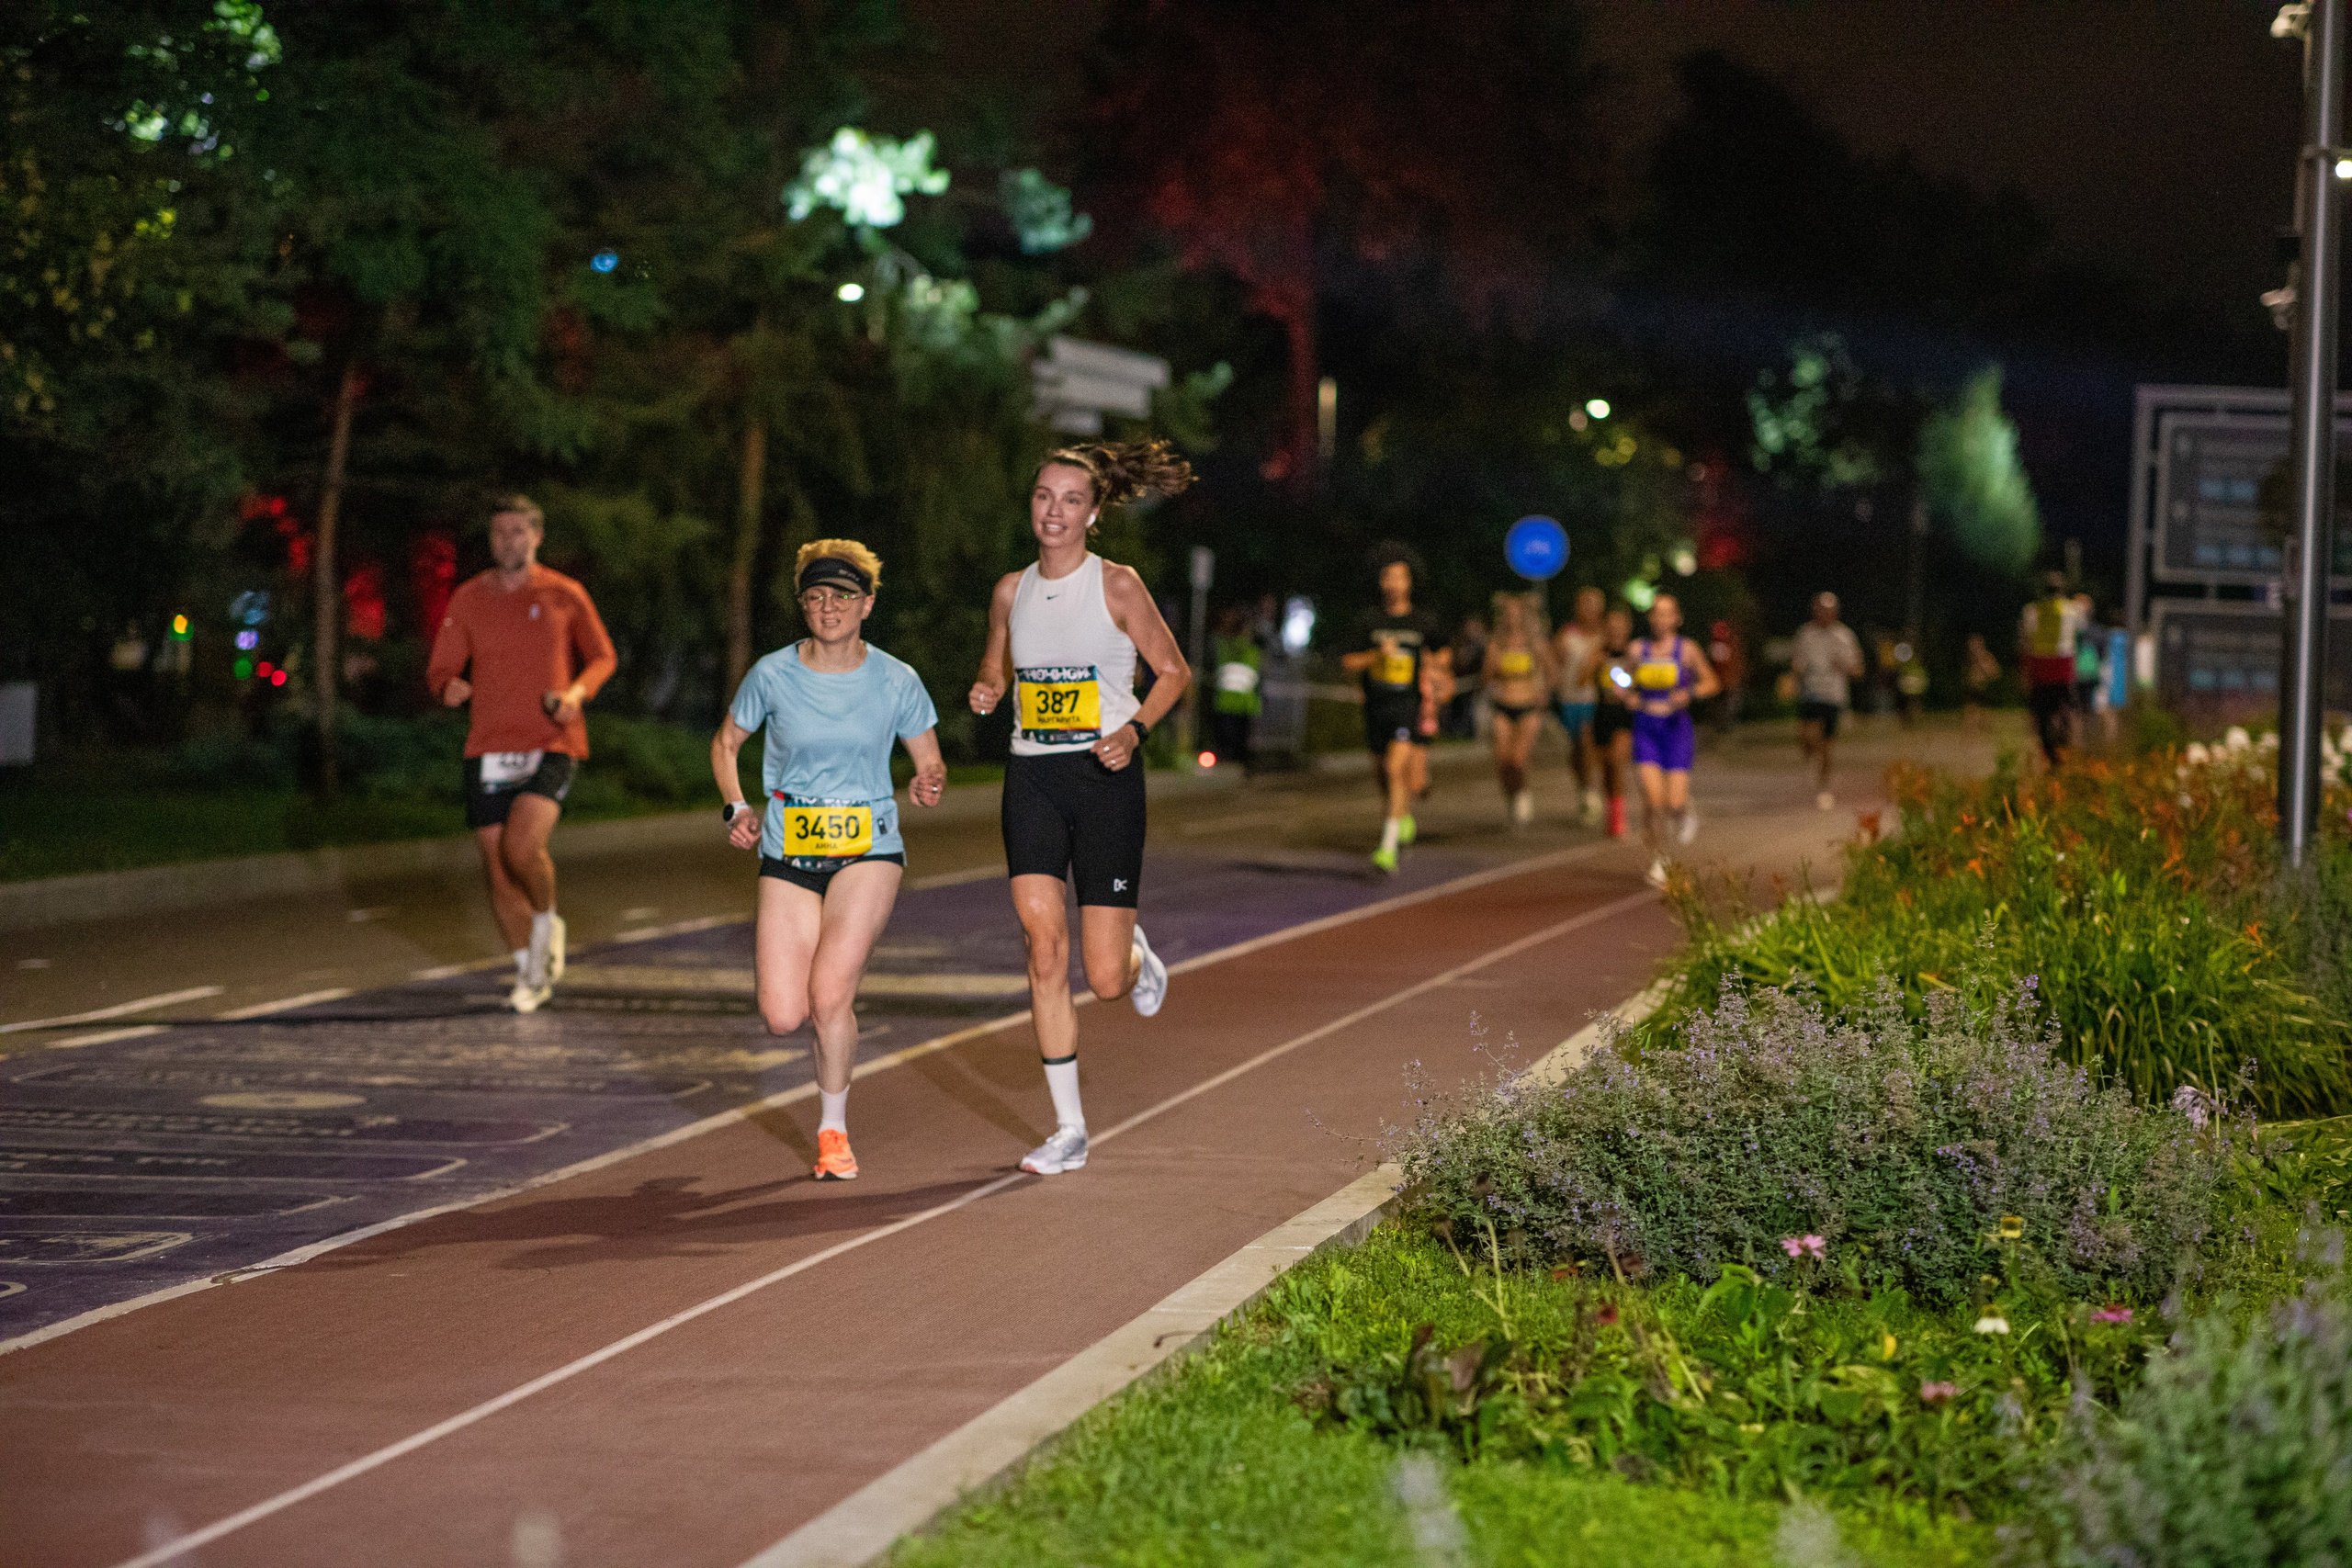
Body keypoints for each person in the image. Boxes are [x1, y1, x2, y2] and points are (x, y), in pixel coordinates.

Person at [968, 440, 1194, 1177]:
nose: (1054, 511)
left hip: (1105, 777)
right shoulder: (1011, 590)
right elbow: (997, 660)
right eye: (1044, 496)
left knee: (1102, 978)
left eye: (1070, 500)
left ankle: (1136, 955)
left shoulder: (1118, 585)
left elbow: (1172, 671)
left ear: (1094, 512)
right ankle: (1069, 1129)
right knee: (1043, 945)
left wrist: (1135, 731)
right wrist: (989, 687)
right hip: (1032, 776)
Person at [711, 540, 945, 1181]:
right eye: (815, 596)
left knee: (830, 992)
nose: (828, 607)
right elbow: (727, 743)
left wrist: (928, 780)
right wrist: (736, 807)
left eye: (842, 596)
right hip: (790, 847)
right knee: (783, 1014)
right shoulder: (772, 674)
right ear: (803, 604)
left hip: (868, 847)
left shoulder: (896, 679)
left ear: (867, 604)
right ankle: (830, 1110)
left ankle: (832, 1131)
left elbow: (929, 759)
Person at [425, 496, 616, 1014]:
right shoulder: (469, 598)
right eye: (499, 532)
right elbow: (441, 669)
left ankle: (546, 923)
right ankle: (529, 970)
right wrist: (448, 687)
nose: (507, 541)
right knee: (495, 865)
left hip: (550, 740)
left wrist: (576, 693)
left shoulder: (564, 593)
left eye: (517, 531)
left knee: (521, 847)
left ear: (536, 536)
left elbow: (602, 656)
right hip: (488, 745)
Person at [1341, 544, 1451, 874]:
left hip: (1408, 705)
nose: (1394, 584)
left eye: (1401, 578)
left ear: (1409, 583)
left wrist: (1434, 666)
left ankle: (1387, 847)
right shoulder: (1370, 621)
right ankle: (1401, 816)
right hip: (1376, 705)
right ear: (1381, 582)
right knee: (1382, 774)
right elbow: (1348, 662)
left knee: (1395, 768)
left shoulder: (1422, 621)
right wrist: (1378, 655)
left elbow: (1444, 651)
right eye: (1388, 577)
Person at [1625, 592, 1720, 886]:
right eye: (1657, 613)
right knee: (1654, 802)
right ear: (1650, 617)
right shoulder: (1637, 649)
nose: (1662, 619)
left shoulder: (1687, 650)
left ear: (1677, 618)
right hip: (1646, 727)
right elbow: (1620, 676)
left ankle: (1684, 812)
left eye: (1668, 613)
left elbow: (1712, 682)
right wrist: (1625, 693)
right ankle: (1659, 860)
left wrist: (1689, 693)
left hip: (1676, 729)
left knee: (1674, 804)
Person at [1789, 592, 1864, 811]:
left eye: (1829, 611)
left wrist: (1845, 666)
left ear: (1836, 612)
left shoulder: (1844, 636)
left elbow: (1858, 669)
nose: (1824, 614)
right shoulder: (1805, 634)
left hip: (1833, 696)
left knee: (1827, 745)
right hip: (1810, 693)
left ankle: (1824, 786)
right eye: (1821, 610)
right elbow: (1797, 662)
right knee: (1807, 737)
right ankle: (1813, 762)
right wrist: (1796, 672)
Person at [1483, 592, 1554, 826]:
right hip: (1502, 706)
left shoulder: (1535, 644)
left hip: (1528, 706)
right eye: (1508, 614)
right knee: (1503, 761)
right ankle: (1511, 795)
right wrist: (1491, 668)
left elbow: (1551, 672)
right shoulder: (1497, 644)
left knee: (1517, 760)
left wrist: (1544, 693)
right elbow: (1486, 677)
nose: (1512, 619)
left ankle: (1522, 793)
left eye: (1517, 614)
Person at [1551, 586, 1606, 825]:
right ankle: (1584, 788)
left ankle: (1594, 791)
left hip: (1595, 700)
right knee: (1576, 750)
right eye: (1586, 604)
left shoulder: (1605, 635)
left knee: (1587, 741)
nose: (1590, 609)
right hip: (1570, 700)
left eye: (1595, 604)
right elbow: (1553, 665)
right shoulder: (1566, 635)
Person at [2018, 570, 2083, 768]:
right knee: (2066, 707)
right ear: (2062, 589)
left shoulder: (2031, 611)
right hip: (2064, 665)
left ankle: (2048, 751)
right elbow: (2080, 633)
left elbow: (2025, 641)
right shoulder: (2072, 609)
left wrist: (2024, 670)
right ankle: (2065, 745)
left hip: (2040, 665)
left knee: (2041, 711)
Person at [1585, 604, 1638, 838]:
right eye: (1611, 625)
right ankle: (1612, 811)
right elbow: (1581, 681)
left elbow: (1641, 683)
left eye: (1620, 625)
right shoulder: (1599, 654)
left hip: (1624, 715)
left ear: (1627, 628)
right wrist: (1595, 663)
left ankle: (1619, 819)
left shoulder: (1634, 653)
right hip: (1602, 713)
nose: (1616, 629)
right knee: (1606, 769)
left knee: (1617, 762)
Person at [1208, 605, 1261, 767]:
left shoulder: (1224, 646)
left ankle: (1231, 761)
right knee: (1240, 743)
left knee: (1227, 741)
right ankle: (1239, 764)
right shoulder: (1253, 651)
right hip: (1244, 704)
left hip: (1226, 702)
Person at [1445, 615, 1487, 739]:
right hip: (1459, 682)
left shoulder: (1481, 645)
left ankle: (1469, 731)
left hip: (1473, 681)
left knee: (1470, 707)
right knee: (1457, 705)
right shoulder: (1458, 642)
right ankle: (1455, 729)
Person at [1962, 633, 2001, 730]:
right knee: (1971, 707)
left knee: (1984, 708)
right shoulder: (1969, 658)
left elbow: (1995, 672)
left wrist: (1983, 665)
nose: (1973, 647)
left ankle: (1984, 727)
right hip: (1972, 686)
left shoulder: (1986, 656)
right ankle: (1971, 728)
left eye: (1976, 644)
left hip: (1984, 685)